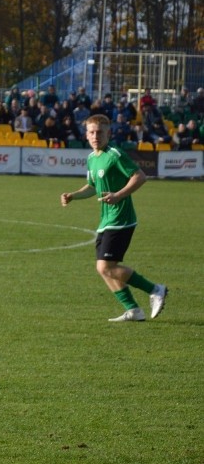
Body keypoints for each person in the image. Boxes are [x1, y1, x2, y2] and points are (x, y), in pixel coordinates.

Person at [60, 114, 167, 323]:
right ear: (86, 134)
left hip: (122, 219)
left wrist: (118, 195)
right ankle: (133, 310)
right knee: (104, 269)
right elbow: (92, 187)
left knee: (105, 267)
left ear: (108, 133)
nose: (95, 136)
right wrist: (73, 195)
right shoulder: (92, 158)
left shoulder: (115, 154)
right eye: (91, 132)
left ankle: (155, 289)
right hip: (106, 220)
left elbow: (140, 176)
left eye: (99, 132)